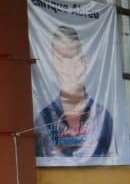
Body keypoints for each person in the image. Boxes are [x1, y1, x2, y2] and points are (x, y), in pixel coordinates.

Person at [34, 25, 115, 159]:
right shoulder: (43, 119)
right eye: (59, 60)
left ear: (84, 63)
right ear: (52, 64)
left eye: (70, 57)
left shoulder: (103, 117)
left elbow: (114, 161)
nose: (66, 68)